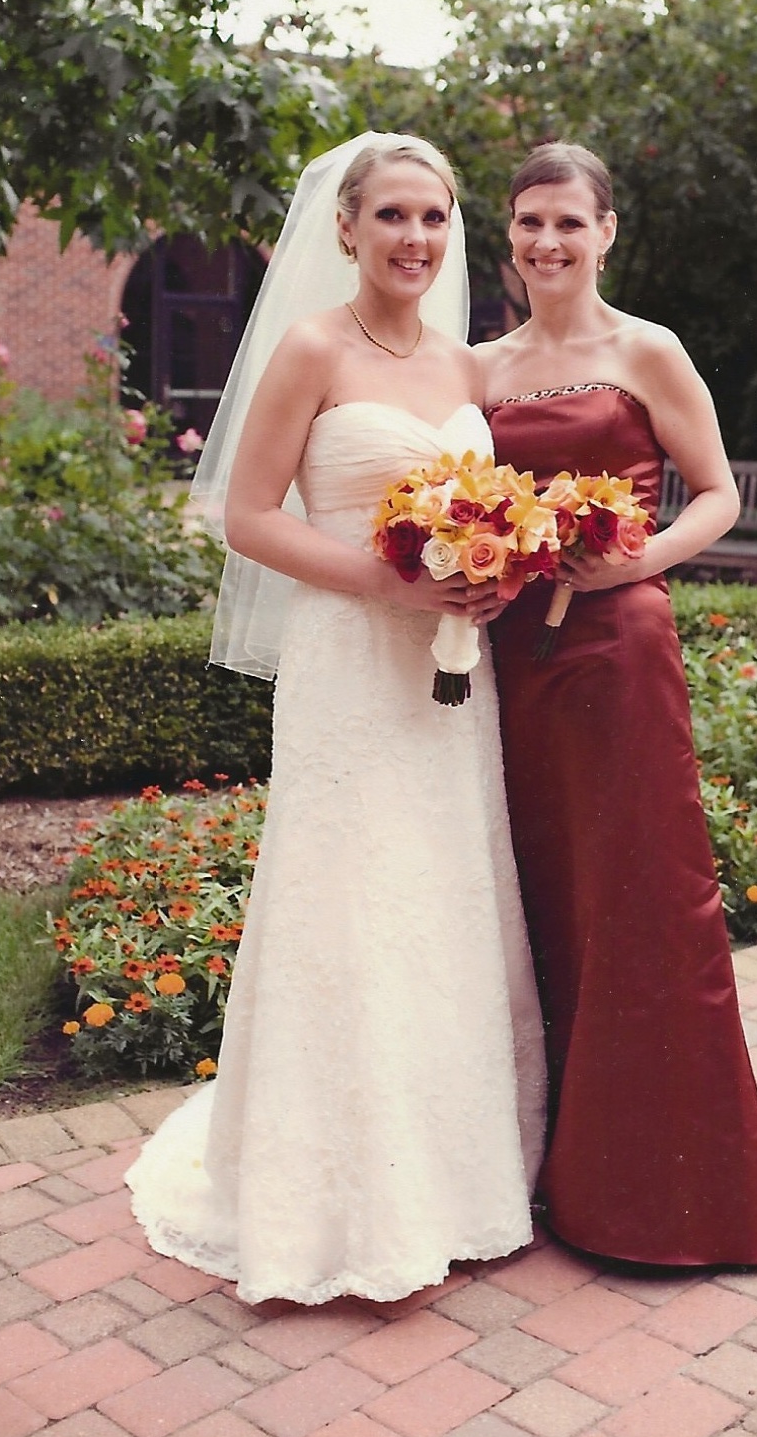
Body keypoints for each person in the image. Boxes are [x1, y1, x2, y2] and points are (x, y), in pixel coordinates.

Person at [126, 132, 546, 1306]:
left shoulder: (467, 368)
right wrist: (391, 582)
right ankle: (329, 1200)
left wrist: (492, 571)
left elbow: (494, 507)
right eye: (394, 214)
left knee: (443, 893)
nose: (416, 237)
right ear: (347, 227)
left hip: (449, 676)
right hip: (348, 665)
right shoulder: (312, 347)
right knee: (347, 897)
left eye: (434, 216)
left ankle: (453, 1183)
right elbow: (247, 515)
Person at [477, 140, 757, 1268]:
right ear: (508, 233)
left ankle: (665, 1200)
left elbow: (717, 491)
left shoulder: (645, 349)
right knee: (538, 889)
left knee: (641, 899)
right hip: (508, 654)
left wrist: (638, 559)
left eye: (570, 222)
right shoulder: (477, 366)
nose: (549, 242)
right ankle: (548, 1166)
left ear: (607, 232)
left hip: (618, 649)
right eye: (531, 221)